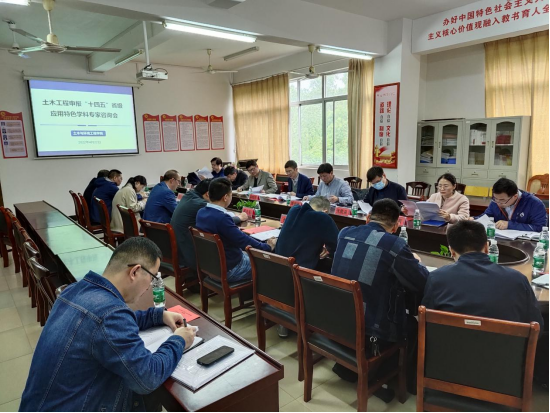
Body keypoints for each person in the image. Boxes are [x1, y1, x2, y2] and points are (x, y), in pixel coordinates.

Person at [19, 237, 197, 412]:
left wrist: (158, 315)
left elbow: (111, 322)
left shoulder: (75, 290)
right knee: (147, 394)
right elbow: (147, 377)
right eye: (152, 278)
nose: (150, 286)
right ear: (135, 272)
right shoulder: (110, 314)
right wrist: (179, 340)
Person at [331, 199, 428, 387]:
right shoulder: (395, 244)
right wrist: (416, 261)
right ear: (396, 225)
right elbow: (421, 281)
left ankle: (350, 366)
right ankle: (394, 380)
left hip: (338, 319)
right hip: (371, 330)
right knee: (413, 325)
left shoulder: (344, 233)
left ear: (368, 218)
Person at [423, 220, 543, 328]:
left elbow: (427, 324)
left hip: (449, 345)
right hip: (505, 346)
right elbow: (537, 327)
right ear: (487, 247)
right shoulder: (518, 280)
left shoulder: (437, 278)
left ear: (451, 251)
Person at [196, 178, 276, 282]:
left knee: (249, 254)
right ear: (225, 197)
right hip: (229, 270)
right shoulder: (222, 218)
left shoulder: (201, 212)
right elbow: (243, 241)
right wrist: (267, 247)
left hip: (210, 267)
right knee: (270, 263)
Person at [171, 179, 248, 272]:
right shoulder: (200, 205)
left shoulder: (189, 196)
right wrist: (239, 218)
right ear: (208, 194)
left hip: (182, 248)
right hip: (191, 253)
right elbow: (220, 220)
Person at [275, 196, 338, 271]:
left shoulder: (294, 209)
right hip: (298, 271)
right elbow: (337, 247)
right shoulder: (323, 217)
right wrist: (326, 250)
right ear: (325, 211)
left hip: (277, 265)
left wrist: (318, 247)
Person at [475, 178, 547, 232]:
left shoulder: (534, 203)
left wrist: (509, 225)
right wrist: (474, 219)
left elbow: (540, 227)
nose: (498, 203)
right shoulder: (496, 200)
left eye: (502, 200)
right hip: (502, 239)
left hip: (525, 243)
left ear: (515, 196)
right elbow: (487, 216)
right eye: (495, 198)